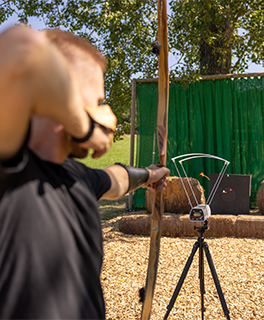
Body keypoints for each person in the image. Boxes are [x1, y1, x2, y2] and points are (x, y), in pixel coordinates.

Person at [0, 26, 169, 319]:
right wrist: (86, 127)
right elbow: (20, 46)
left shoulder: (77, 176)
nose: (106, 112)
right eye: (99, 101)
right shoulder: (11, 167)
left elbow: (116, 179)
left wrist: (150, 176)